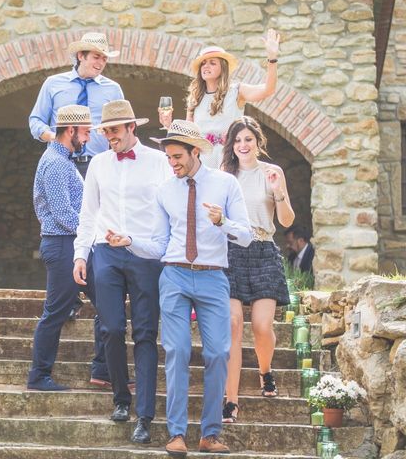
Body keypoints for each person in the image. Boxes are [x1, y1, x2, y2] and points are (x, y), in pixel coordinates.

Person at [105, 119, 252, 456]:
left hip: (213, 276)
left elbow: (245, 235)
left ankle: (210, 434)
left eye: (177, 157)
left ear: (195, 152)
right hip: (174, 276)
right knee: (177, 352)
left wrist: (222, 222)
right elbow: (159, 244)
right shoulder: (165, 191)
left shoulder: (226, 184)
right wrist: (130, 241)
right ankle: (176, 433)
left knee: (217, 353)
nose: (172, 164)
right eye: (169, 158)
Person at [72, 99, 171, 444]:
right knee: (111, 328)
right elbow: (88, 213)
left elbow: (169, 210)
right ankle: (120, 398)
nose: (108, 136)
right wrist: (80, 255)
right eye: (105, 131)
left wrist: (161, 249)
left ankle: (144, 415)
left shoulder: (159, 163)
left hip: (146, 255)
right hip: (107, 254)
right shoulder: (99, 164)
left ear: (132, 128)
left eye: (114, 130)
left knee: (145, 335)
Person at [29, 31, 125, 326]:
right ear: (80, 56)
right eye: (96, 57)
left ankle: (98, 289)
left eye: (105, 58)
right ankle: (68, 296)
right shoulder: (53, 84)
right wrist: (57, 140)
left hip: (98, 165)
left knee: (96, 224)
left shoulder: (113, 88)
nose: (101, 63)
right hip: (63, 162)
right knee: (65, 223)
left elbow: (119, 125)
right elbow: (35, 121)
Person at [219, 116, 295, 424]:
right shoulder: (225, 173)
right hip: (232, 252)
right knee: (234, 324)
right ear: (231, 145)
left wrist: (278, 191)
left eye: (248, 139)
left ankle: (265, 371)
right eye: (237, 140)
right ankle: (230, 400)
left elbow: (287, 221)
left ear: (257, 142)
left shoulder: (272, 173)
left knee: (262, 326)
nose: (242, 145)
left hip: (263, 250)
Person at [27, 104, 107, 391]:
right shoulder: (56, 163)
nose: (87, 138)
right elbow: (63, 214)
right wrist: (96, 234)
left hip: (74, 246)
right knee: (56, 313)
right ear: (70, 130)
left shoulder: (63, 160)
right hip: (63, 247)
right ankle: (38, 376)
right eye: (85, 132)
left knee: (107, 306)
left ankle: (103, 370)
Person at [159, 29, 280, 169]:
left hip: (231, 158)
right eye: (203, 63)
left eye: (212, 63)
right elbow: (188, 137)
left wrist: (272, 58)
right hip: (203, 162)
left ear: (223, 68)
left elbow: (268, 90)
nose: (206, 66)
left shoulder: (236, 91)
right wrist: (169, 125)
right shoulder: (195, 98)